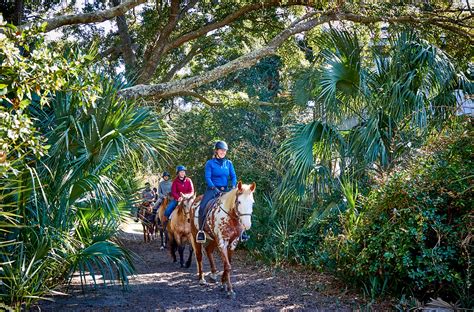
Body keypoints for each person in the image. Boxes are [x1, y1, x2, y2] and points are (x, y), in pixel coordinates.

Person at [196, 141, 248, 243]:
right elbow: (208, 177)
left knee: (238, 206)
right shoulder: (210, 163)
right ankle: (201, 232)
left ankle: (242, 232)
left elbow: (233, 176)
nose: (223, 152)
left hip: (227, 189)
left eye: (224, 150)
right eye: (221, 150)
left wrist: (233, 186)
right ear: (216, 151)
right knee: (202, 207)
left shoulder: (228, 163)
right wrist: (214, 188)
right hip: (212, 189)